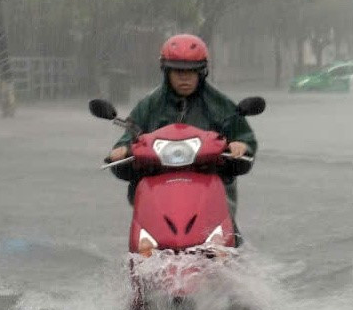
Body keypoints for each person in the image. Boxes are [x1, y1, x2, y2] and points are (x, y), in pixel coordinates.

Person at [107, 34, 258, 227]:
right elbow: (131, 132)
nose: (184, 77)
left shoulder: (221, 105)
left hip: (209, 185)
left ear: (202, 72)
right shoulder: (149, 105)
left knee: (226, 229)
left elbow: (243, 136)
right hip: (158, 184)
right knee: (145, 231)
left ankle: (230, 239)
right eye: (177, 71)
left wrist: (241, 145)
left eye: (191, 71)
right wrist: (122, 149)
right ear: (166, 72)